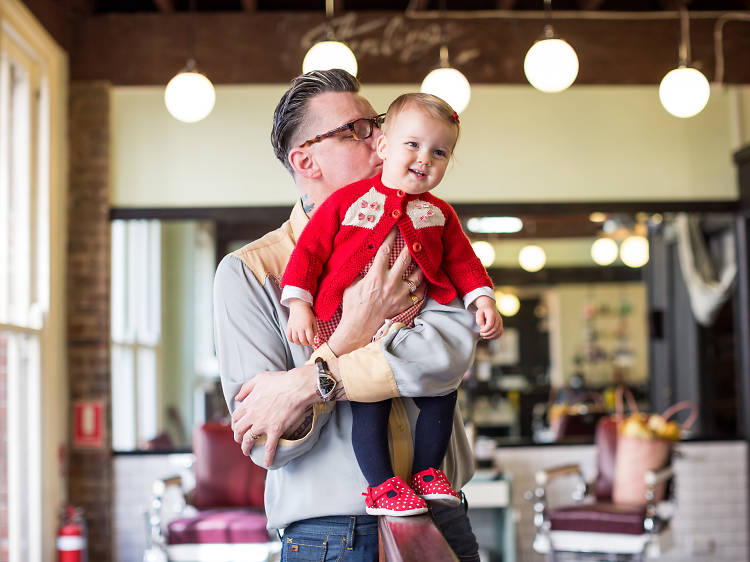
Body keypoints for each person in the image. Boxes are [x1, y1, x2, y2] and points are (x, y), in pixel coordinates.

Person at [214, 69, 488, 561]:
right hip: (333, 535)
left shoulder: (425, 234)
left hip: (442, 513)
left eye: (379, 124)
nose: (380, 139)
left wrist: (306, 381)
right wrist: (348, 336)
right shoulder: (252, 272)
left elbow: (446, 357)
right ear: (306, 159)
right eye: (358, 131)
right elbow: (264, 440)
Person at [279, 93, 503, 516]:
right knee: (371, 403)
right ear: (383, 149)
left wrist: (483, 298)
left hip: (411, 325)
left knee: (443, 393)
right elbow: (309, 253)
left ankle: (427, 473)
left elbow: (464, 261)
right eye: (413, 145)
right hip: (352, 325)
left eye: (440, 152)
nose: (425, 159)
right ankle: (381, 486)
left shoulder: (440, 213)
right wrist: (299, 306)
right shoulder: (347, 202)